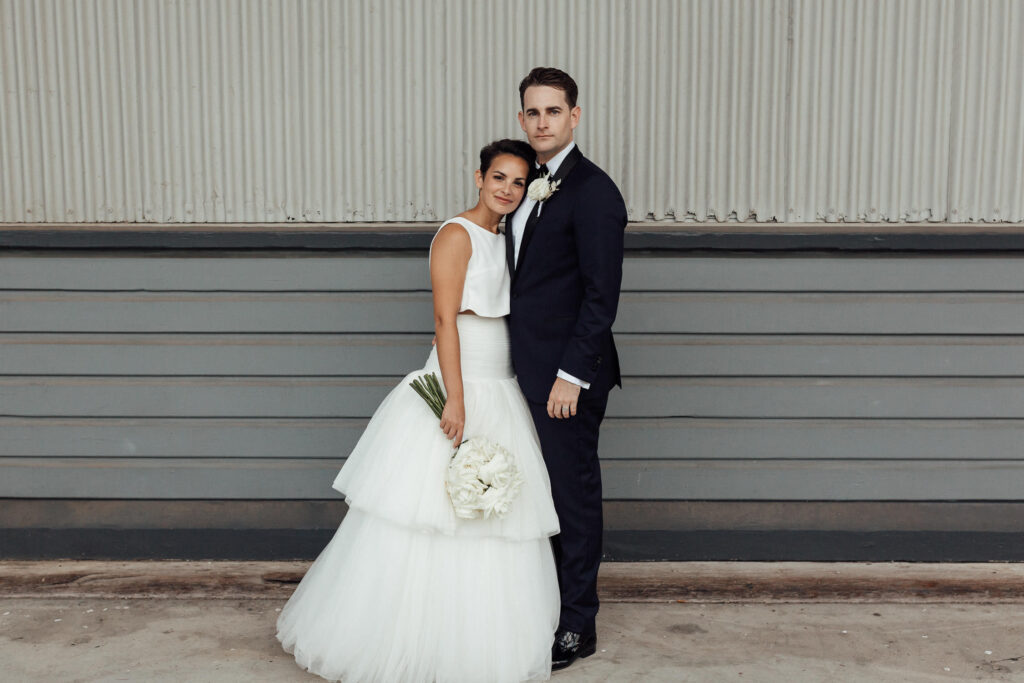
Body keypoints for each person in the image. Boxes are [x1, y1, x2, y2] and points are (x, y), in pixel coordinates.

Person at [276, 139, 561, 683]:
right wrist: (455, 398)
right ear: (478, 176)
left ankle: (475, 639)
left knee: (492, 514)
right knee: (431, 513)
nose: (507, 189)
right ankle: (406, 640)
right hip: (461, 382)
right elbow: (444, 320)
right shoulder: (457, 235)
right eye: (498, 177)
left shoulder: (508, 238)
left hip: (500, 383)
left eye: (519, 182)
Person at [506, 67, 628, 671]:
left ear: (574, 117)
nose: (542, 122)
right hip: (521, 374)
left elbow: (600, 296)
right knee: (536, 497)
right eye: (532, 112)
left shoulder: (595, 192)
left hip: (565, 381)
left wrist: (571, 377)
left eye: (553, 111)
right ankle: (543, 607)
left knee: (573, 499)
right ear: (522, 117)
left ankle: (579, 624)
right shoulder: (526, 185)